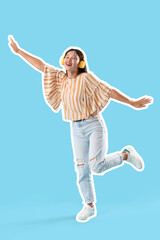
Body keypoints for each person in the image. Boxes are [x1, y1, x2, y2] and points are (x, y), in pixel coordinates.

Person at [8, 35, 153, 223]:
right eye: (67, 56)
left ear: (80, 62)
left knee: (97, 166)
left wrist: (132, 102)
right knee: (81, 169)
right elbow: (41, 66)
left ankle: (125, 155)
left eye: (74, 57)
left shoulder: (86, 78)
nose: (69, 59)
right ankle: (90, 205)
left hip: (94, 125)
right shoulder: (60, 78)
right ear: (63, 60)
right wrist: (19, 51)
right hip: (75, 127)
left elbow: (108, 91)